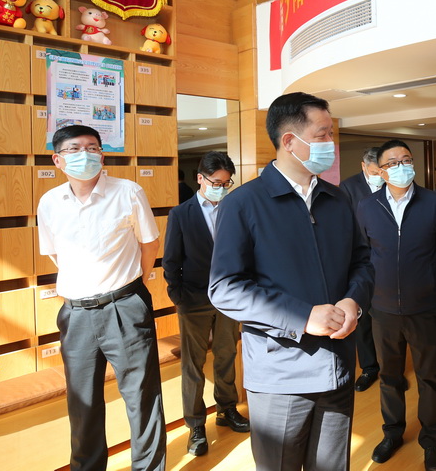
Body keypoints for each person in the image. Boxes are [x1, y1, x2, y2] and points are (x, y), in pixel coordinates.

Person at [208, 92, 374, 471]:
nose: (331, 143)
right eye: (322, 134)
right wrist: (302, 317)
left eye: (331, 134)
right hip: (281, 374)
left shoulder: (338, 200)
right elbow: (225, 287)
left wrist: (354, 301)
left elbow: (362, 262)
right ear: (289, 141)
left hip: (337, 366)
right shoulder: (243, 203)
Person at [37, 124, 166, 471]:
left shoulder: (128, 192)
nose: (85, 155)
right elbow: (56, 254)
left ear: (102, 154)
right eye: (75, 149)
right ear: (58, 160)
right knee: (82, 403)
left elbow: (149, 244)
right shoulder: (49, 202)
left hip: (124, 306)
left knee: (142, 397)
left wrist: (131, 286)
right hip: (76, 314)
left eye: (92, 148)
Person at [358, 139, 436, 471]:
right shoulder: (368, 206)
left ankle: (431, 440)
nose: (402, 166)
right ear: (381, 171)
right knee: (389, 376)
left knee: (430, 377)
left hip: (422, 306)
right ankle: (392, 433)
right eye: (393, 162)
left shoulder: (433, 202)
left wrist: (428, 280)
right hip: (382, 308)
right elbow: (363, 253)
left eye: (406, 159)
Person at [163, 151, 250, 458]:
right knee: (193, 364)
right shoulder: (181, 214)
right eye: (216, 183)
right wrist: (179, 297)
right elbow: (171, 260)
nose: (222, 188)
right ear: (200, 178)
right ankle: (196, 425)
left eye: (227, 183)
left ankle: (227, 409)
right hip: (194, 299)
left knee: (227, 355)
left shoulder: (234, 208)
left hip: (229, 298)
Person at [339, 146, 384, 391]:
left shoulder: (394, 182)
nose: (379, 176)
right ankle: (369, 367)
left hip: (388, 260)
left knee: (386, 318)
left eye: (382, 171)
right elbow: (343, 225)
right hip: (361, 260)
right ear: (364, 166)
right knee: (363, 318)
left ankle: (390, 366)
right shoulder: (348, 188)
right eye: (375, 172)